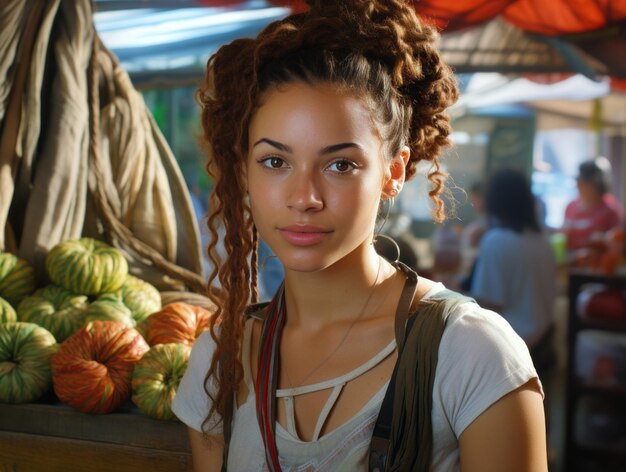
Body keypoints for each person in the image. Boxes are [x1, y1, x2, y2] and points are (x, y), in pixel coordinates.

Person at [172, 2, 548, 471]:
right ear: (244, 169)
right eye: (275, 161)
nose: (304, 197)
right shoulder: (219, 359)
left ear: (393, 173)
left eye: (340, 164)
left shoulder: (471, 354)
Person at [468, 168, 557, 431]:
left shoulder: (497, 241)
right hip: (543, 345)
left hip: (509, 354)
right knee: (539, 427)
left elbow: (488, 303)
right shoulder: (543, 242)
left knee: (508, 432)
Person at [562, 157, 624, 253]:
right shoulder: (570, 207)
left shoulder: (612, 211)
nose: (579, 185)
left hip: (596, 266)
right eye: (579, 181)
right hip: (570, 263)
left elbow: (618, 246)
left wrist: (604, 239)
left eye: (585, 182)